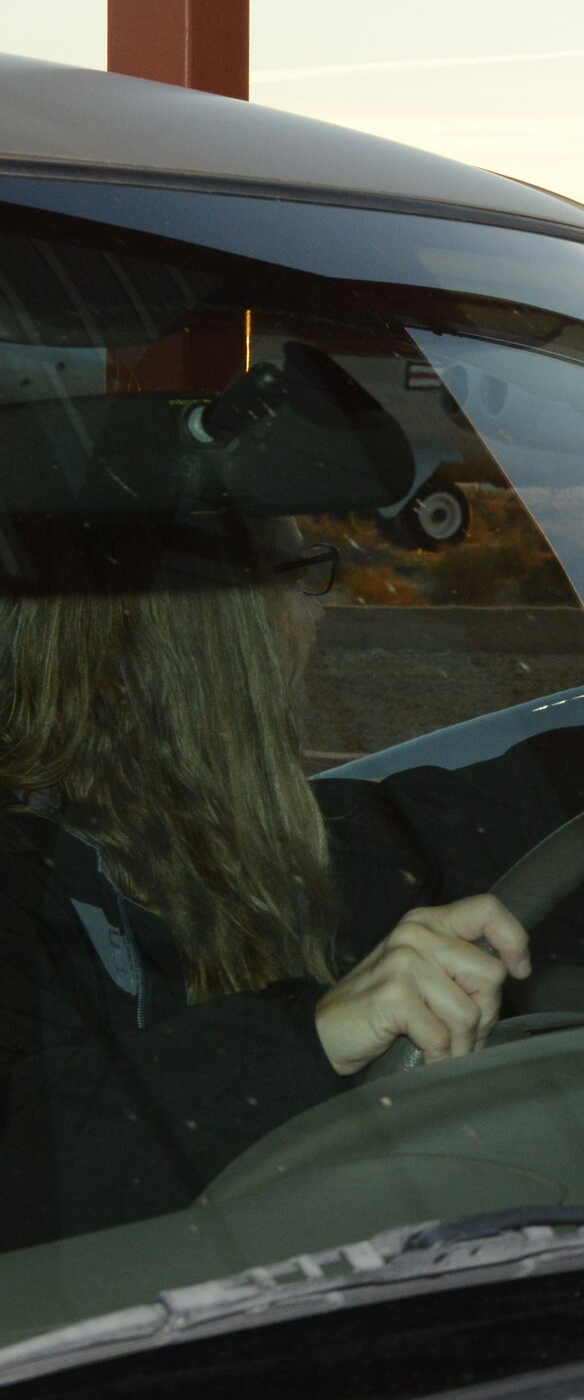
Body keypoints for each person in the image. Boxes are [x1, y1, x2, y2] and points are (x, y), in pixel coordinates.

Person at [0, 514, 530, 1244]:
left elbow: (533, 799)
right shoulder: (26, 883)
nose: (320, 610)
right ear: (210, 641)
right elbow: (29, 1159)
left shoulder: (296, 846)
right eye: (300, 574)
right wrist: (307, 1038)